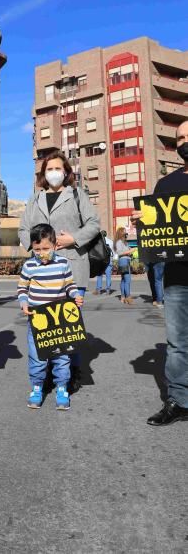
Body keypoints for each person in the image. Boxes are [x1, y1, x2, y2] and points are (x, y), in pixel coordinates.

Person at [19, 150, 100, 391]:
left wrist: (73, 238)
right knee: (43, 323)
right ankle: (44, 373)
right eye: (49, 169)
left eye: (58, 168)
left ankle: (72, 370)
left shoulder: (77, 195)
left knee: (69, 324)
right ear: (43, 174)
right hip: (42, 270)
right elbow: (24, 229)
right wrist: (35, 247)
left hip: (73, 264)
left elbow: (94, 223)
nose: (54, 172)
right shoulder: (35, 199)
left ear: (66, 172)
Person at [132, 119, 188, 426]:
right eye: (180, 138)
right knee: (178, 342)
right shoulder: (166, 186)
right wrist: (144, 221)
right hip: (178, 279)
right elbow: (157, 235)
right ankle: (179, 401)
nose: (184, 142)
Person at [17, 223, 83, 410]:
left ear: (55, 245)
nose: (41, 253)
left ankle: (62, 388)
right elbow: (22, 288)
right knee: (37, 356)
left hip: (59, 320)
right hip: (37, 320)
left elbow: (69, 285)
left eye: (46, 248)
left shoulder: (63, 263)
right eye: (37, 249)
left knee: (62, 356)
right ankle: (37, 387)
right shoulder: (29, 265)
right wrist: (24, 302)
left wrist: (75, 295)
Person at [114, 227, 133, 304]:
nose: (126, 233)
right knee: (127, 279)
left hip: (127, 260)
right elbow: (119, 253)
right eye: (125, 232)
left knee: (123, 280)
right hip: (123, 261)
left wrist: (130, 251)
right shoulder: (119, 242)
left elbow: (127, 251)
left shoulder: (125, 242)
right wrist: (130, 251)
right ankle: (128, 297)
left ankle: (123, 297)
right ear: (121, 233)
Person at [93, 230, 114, 295]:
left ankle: (98, 290)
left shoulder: (98, 242)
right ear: (106, 234)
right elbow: (113, 252)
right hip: (109, 259)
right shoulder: (110, 241)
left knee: (99, 275)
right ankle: (108, 289)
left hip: (101, 260)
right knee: (108, 276)